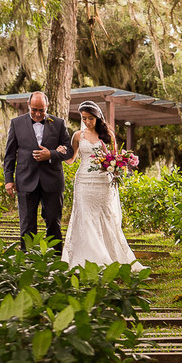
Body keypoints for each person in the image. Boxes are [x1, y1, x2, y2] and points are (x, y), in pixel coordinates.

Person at [57, 100, 143, 269]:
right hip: (83, 181)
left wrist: (116, 166)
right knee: (84, 216)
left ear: (97, 117)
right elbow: (71, 160)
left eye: (90, 118)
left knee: (104, 217)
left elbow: (115, 158)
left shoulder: (108, 135)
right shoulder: (77, 136)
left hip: (102, 182)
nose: (87, 122)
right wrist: (61, 153)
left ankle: (107, 256)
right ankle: (86, 259)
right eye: (84, 118)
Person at [3, 91, 74, 249]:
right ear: (28, 105)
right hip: (25, 180)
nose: (37, 113)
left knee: (53, 223)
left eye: (41, 110)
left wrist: (51, 154)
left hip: (52, 182)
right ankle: (29, 261)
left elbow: (69, 150)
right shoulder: (16, 123)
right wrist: (8, 180)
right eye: (34, 109)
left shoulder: (58, 123)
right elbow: (9, 155)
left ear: (47, 106)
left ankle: (55, 262)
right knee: (27, 225)